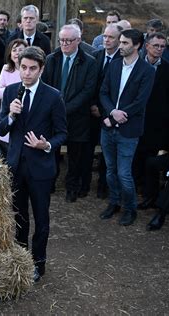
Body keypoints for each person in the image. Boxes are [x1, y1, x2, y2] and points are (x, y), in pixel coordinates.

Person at [0, 46, 67, 282]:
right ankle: (21, 261)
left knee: (41, 218)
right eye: (23, 68)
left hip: (41, 169)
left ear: (41, 69)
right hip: (16, 166)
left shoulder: (53, 96)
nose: (26, 73)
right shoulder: (9, 93)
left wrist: (46, 145)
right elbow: (1, 128)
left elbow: (62, 133)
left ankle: (39, 263)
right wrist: (9, 115)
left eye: (32, 69)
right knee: (19, 217)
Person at [98, 29, 155, 226]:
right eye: (120, 42)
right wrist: (112, 112)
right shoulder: (113, 66)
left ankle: (130, 208)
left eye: (124, 43)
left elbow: (140, 102)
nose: (119, 46)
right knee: (110, 171)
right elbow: (103, 92)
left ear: (137, 45)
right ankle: (114, 202)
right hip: (108, 128)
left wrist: (114, 118)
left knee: (124, 173)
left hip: (128, 131)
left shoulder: (147, 71)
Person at [41, 24, 97, 202]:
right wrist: (54, 109)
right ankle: (49, 183)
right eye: (61, 40)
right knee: (52, 152)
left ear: (78, 41)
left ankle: (72, 187)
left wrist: (65, 109)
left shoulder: (90, 62)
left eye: (68, 41)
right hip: (53, 116)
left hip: (78, 117)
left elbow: (88, 92)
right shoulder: (52, 59)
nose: (64, 44)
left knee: (75, 156)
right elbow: (45, 85)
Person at [135, 33, 169, 210]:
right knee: (137, 159)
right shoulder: (137, 66)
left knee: (152, 161)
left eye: (162, 46)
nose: (159, 49)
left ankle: (151, 196)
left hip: (158, 125)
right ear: (146, 46)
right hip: (136, 121)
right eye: (156, 45)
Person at [86, 24, 123, 199]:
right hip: (91, 112)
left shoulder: (122, 61)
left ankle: (103, 185)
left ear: (119, 40)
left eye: (111, 37)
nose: (106, 40)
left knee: (107, 153)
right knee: (88, 148)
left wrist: (104, 110)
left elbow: (116, 91)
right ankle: (84, 184)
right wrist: (93, 105)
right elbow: (90, 84)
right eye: (105, 36)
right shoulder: (96, 55)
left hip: (110, 114)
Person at [0, 39, 27, 155]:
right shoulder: (6, 69)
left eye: (21, 50)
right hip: (8, 113)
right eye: (14, 50)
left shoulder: (31, 71)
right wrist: (12, 92)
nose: (17, 53)